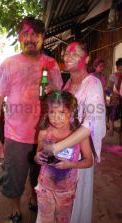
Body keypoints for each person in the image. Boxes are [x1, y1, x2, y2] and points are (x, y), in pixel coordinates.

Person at [0, 16, 63, 223]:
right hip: (16, 137)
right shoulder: (9, 64)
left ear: (43, 37)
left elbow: (60, 97)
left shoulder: (51, 64)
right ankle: (15, 209)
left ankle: (33, 197)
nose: (31, 39)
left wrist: (54, 92)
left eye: (36, 34)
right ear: (20, 37)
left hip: (45, 135)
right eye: (26, 34)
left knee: (40, 173)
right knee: (13, 178)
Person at [44, 41, 106, 223]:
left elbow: (90, 125)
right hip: (63, 152)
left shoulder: (93, 84)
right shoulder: (67, 83)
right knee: (59, 200)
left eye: (74, 53)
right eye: (66, 53)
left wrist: (56, 147)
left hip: (80, 155)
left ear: (86, 59)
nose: (68, 56)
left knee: (75, 203)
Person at [34, 90, 93, 223]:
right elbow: (37, 156)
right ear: (47, 113)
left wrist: (71, 164)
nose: (56, 118)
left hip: (67, 190)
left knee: (63, 219)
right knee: (45, 219)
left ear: (71, 113)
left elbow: (89, 161)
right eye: (52, 113)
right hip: (44, 187)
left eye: (62, 113)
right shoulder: (44, 133)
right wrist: (37, 157)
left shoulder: (79, 135)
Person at [107, 58, 122, 136]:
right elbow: (109, 88)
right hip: (115, 97)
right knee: (112, 113)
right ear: (117, 67)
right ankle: (111, 129)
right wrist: (108, 99)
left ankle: (120, 128)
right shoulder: (113, 75)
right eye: (120, 67)